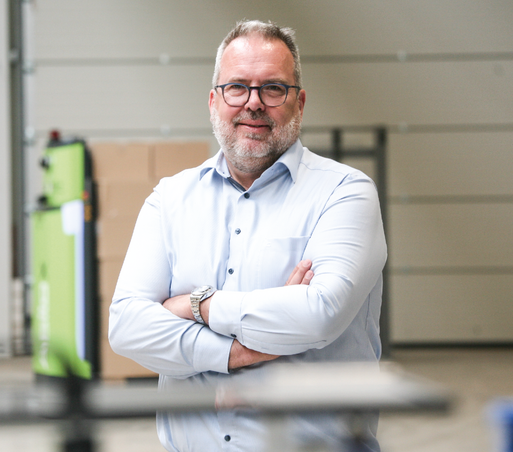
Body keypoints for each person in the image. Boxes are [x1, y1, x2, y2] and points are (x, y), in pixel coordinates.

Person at [108, 19, 387, 452]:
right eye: (237, 87)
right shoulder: (171, 199)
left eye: (273, 88)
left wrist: (196, 305)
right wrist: (235, 352)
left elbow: (319, 313)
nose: (253, 103)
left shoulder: (345, 193)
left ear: (300, 102)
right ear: (213, 100)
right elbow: (126, 326)